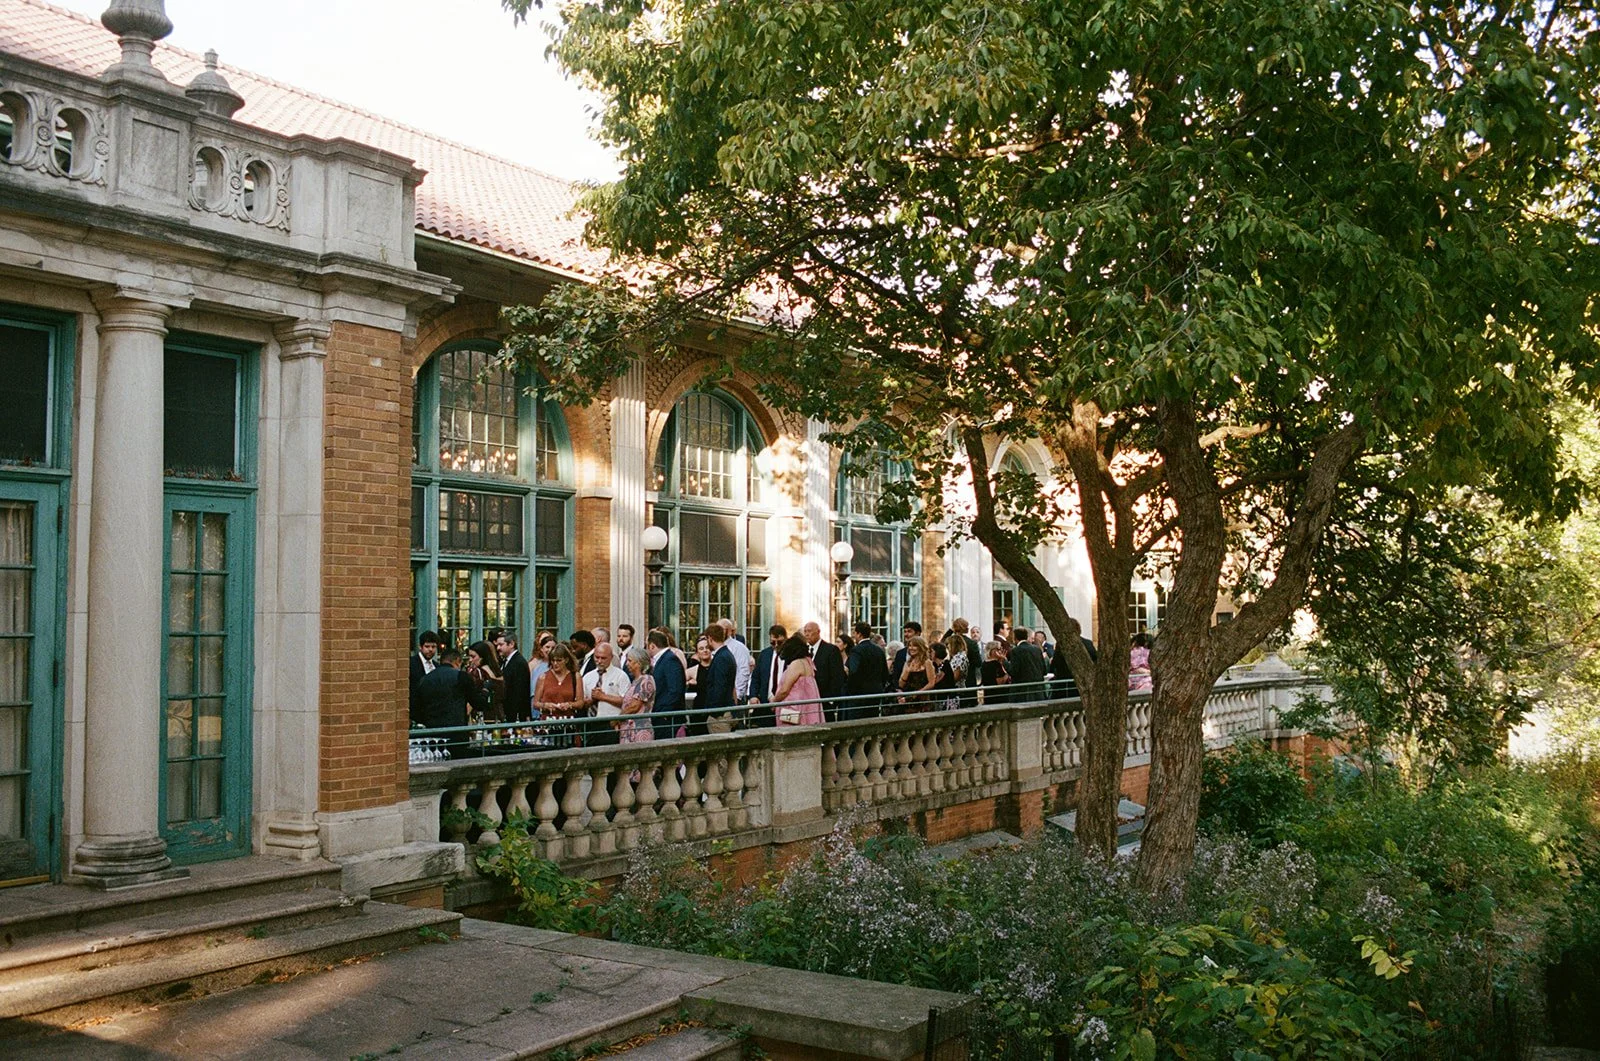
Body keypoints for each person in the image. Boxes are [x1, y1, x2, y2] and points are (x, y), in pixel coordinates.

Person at [411, 646, 488, 732]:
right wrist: (485, 690)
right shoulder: (461, 676)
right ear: (458, 661)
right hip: (456, 731)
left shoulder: (424, 679)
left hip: (432, 732)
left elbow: (415, 710)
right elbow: (478, 704)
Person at [533, 643, 582, 746]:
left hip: (568, 723)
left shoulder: (575, 676)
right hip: (548, 723)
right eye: (553, 660)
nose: (555, 664)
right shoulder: (543, 677)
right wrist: (545, 705)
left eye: (559, 660)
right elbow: (535, 703)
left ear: (566, 660)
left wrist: (569, 704)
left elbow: (580, 702)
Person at [582, 642, 630, 747]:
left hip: (611, 723)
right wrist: (591, 700)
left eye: (603, 658)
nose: (599, 661)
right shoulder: (588, 677)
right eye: (596, 657)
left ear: (611, 657)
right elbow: (583, 703)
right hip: (591, 723)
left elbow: (627, 701)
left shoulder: (620, 676)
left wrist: (603, 697)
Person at [697, 622, 739, 735]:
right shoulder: (725, 655)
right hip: (723, 711)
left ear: (710, 638)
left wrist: (713, 712)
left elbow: (720, 687)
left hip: (720, 715)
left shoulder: (722, 657)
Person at [774, 634, 824, 726]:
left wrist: (774, 702)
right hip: (807, 708)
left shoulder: (796, 664)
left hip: (794, 710)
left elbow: (785, 690)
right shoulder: (808, 662)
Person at [801, 621, 846, 720]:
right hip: (809, 699)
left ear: (818, 632)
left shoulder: (831, 650)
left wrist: (832, 699)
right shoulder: (804, 651)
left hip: (825, 699)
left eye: (809, 631)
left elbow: (837, 676)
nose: (806, 634)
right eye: (805, 631)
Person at [844, 621, 889, 720]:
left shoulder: (856, 650)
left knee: (856, 723)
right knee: (872, 721)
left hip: (859, 694)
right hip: (875, 692)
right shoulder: (878, 650)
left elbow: (854, 672)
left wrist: (849, 688)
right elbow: (885, 673)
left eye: (854, 633)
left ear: (859, 634)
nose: (853, 636)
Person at [647, 628, 686, 740]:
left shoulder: (670, 660)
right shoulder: (663, 659)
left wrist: (662, 712)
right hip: (661, 716)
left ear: (652, 646)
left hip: (667, 718)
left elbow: (675, 690)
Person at [747, 624, 788, 728]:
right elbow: (756, 677)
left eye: (780, 642)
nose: (777, 645)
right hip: (765, 703)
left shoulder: (790, 656)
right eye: (773, 643)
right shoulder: (764, 654)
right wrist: (753, 696)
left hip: (784, 703)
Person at [617, 644, 656, 744]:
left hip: (639, 730)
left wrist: (617, 718)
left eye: (630, 661)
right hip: (629, 729)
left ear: (638, 663)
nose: (627, 664)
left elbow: (635, 706)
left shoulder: (646, 680)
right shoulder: (635, 681)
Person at [494, 630, 532, 723]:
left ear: (511, 644)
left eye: (501, 644)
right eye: (497, 645)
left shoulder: (519, 663)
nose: (498, 648)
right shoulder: (505, 661)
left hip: (515, 715)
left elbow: (519, 691)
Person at [465, 640, 505, 720]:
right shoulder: (496, 670)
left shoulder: (478, 673)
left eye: (473, 657)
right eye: (469, 656)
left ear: (482, 657)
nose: (470, 660)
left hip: (482, 715)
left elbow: (472, 699)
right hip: (497, 715)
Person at [895, 636, 938, 711]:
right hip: (908, 699)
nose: (911, 648)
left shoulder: (927, 662)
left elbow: (931, 683)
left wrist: (916, 693)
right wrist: (907, 672)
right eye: (910, 645)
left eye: (914, 645)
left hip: (923, 699)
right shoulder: (908, 662)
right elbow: (901, 684)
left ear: (921, 647)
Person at [716, 617, 754, 702]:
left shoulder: (739, 647)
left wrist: (738, 696)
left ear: (729, 631)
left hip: (734, 697)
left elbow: (743, 671)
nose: (717, 632)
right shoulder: (714, 646)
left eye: (721, 629)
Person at [1007, 626, 1047, 699]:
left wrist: (1004, 662)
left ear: (1015, 638)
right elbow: (1044, 670)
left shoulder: (1016, 651)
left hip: (1022, 691)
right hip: (1038, 689)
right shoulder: (1037, 649)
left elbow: (1014, 671)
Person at [409, 630, 441, 721]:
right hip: (416, 712)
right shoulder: (411, 664)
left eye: (433, 647)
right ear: (420, 647)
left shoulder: (437, 666)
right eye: (427, 646)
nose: (430, 649)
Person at [951, 617, 983, 705]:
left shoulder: (950, 641)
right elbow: (978, 662)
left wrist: (951, 630)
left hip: (952, 677)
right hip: (968, 678)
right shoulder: (972, 643)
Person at [889, 621, 922, 689]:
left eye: (909, 631)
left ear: (918, 633)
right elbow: (896, 675)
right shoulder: (900, 653)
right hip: (902, 691)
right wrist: (898, 690)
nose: (906, 634)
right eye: (905, 632)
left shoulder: (926, 653)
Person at [941, 633, 971, 708]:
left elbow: (955, 676)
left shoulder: (960, 657)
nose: (947, 647)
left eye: (948, 645)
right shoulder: (956, 657)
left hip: (957, 690)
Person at [930, 641, 959, 710]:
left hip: (948, 698)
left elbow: (937, 679)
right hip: (938, 697)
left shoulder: (946, 664)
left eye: (931, 652)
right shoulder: (933, 665)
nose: (930, 654)